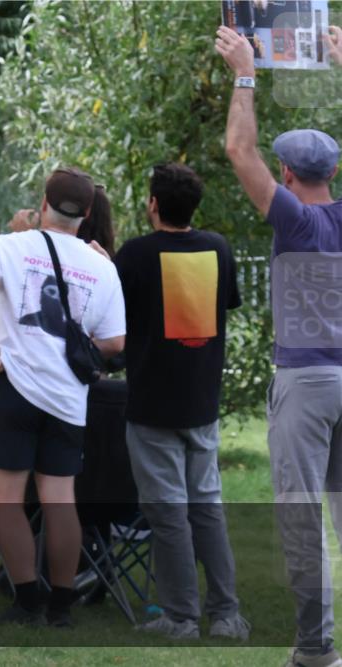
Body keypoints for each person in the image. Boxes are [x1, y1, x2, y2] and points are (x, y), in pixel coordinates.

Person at [217, 26, 342, 667]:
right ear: (335, 171)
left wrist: (245, 72)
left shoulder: (292, 217)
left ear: (288, 174)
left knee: (301, 518)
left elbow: (240, 150)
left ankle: (316, 650)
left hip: (307, 383)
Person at [0, 167, 126, 628]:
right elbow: (115, 343)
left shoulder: (9, 246)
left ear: (43, 202)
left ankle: (27, 597)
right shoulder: (101, 265)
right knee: (60, 500)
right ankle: (61, 602)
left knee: (5, 499)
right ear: (88, 212)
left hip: (15, 387)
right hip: (68, 398)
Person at [114, 162, 249, 640]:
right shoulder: (218, 249)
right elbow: (222, 305)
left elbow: (114, 317)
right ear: (195, 206)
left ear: (153, 204)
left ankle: (180, 618)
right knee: (207, 508)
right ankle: (227, 616)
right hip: (201, 401)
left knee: (168, 513)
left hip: (152, 404)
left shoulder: (132, 255)